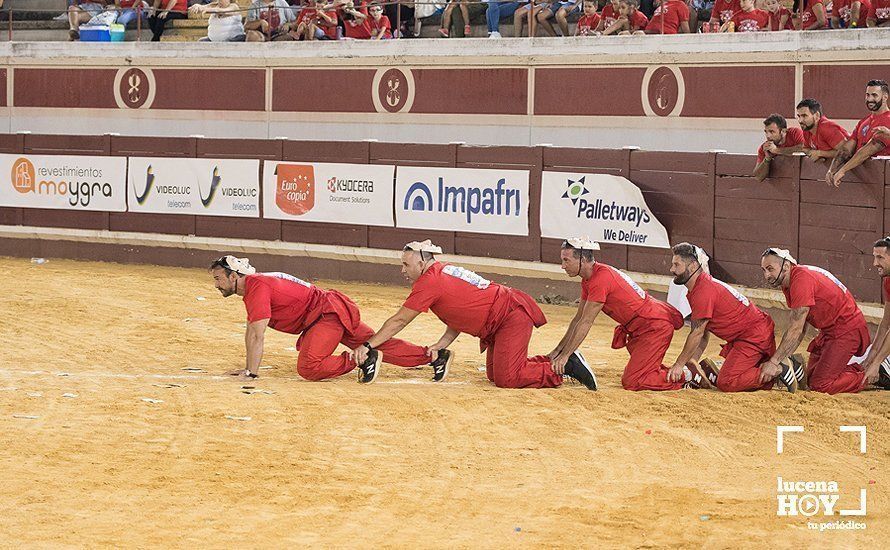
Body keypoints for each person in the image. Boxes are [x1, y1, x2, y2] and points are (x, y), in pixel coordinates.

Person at [353, 240, 598, 390]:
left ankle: (566, 368)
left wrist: (368, 344)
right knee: (495, 374)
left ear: (421, 263)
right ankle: (553, 363)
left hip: (510, 316)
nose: (402, 270)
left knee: (507, 378)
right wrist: (443, 343)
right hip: (504, 315)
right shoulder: (440, 271)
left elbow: (399, 320)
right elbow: (460, 312)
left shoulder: (430, 282)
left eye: (406, 265)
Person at [209, 255, 448, 383]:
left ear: (234, 276)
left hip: (325, 316)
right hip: (329, 311)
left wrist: (251, 373)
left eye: (219, 278)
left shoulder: (256, 285)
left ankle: (361, 359)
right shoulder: (257, 284)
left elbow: (256, 334)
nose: (216, 284)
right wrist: (249, 368)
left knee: (309, 367)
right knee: (375, 341)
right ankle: (434, 357)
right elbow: (252, 330)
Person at [553, 237, 703, 391]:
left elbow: (585, 322)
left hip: (653, 326)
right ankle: (680, 373)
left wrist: (566, 355)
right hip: (645, 323)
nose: (563, 266)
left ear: (583, 260)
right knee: (642, 371)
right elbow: (578, 319)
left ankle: (688, 374)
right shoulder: (590, 278)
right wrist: (558, 351)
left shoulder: (600, 279)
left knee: (634, 381)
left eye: (566, 260)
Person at [668, 243, 797, 392]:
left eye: (676, 265)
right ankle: (788, 366)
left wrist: (679, 365)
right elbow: (702, 334)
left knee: (727, 382)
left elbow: (697, 333)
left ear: (692, 266)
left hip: (754, 337)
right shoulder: (701, 286)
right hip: (751, 333)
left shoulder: (703, 291)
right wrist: (692, 361)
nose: (672, 269)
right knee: (734, 376)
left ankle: (780, 369)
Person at [760, 248, 869, 394]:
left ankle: (870, 374)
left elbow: (796, 328)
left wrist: (774, 362)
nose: (767, 275)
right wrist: (782, 357)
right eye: (764, 270)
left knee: (820, 385)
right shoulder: (793, 279)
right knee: (810, 380)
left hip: (846, 330)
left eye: (770, 269)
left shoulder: (801, 280)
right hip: (830, 330)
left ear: (786, 266)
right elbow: (800, 326)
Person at [828, 80, 890, 187]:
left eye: (874, 95)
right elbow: (846, 149)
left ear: (885, 97)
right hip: (865, 182)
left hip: (882, 182)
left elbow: (868, 150)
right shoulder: (863, 122)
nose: (870, 99)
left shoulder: (888, 119)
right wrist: (832, 169)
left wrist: (843, 170)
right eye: (867, 95)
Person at [857, 237, 890, 388]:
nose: (875, 263)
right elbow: (886, 322)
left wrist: (877, 363)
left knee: (879, 372)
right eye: (874, 257)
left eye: (880, 258)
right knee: (860, 363)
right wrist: (871, 357)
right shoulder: (888, 280)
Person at [753, 113, 805, 182]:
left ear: (783, 131)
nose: (768, 136)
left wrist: (777, 150)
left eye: (772, 132)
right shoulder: (765, 147)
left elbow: (805, 148)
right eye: (766, 132)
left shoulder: (794, 133)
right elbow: (758, 177)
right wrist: (767, 159)